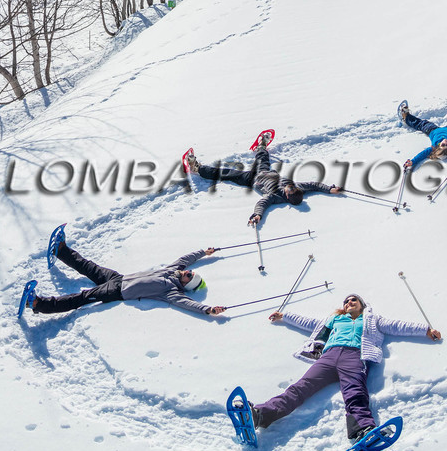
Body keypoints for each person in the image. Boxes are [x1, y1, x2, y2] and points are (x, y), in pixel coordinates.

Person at [239, 293, 439, 441]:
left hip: (355, 356)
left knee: (355, 393)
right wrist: (285, 316)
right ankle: (260, 415)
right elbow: (308, 322)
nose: (349, 303)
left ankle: (363, 430)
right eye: (346, 301)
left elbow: (397, 325)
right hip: (329, 356)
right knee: (300, 387)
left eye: (354, 300)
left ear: (362, 305)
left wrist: (425, 330)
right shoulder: (334, 319)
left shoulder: (372, 319)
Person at [22, 232, 227, 318]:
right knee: (90, 267)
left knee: (81, 298)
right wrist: (204, 253)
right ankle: (61, 250)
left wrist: (208, 310)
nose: (188, 272)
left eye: (190, 276)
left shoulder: (171, 292)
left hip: (117, 291)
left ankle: (39, 304)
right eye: (191, 272)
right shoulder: (172, 272)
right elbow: (185, 259)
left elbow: (187, 304)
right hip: (119, 278)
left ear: (186, 285)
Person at [184, 135, 342, 227]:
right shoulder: (298, 188)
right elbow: (314, 185)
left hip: (252, 179)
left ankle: (197, 168)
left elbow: (262, 204)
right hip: (266, 172)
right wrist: (329, 189)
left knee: (226, 173)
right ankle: (261, 145)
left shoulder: (274, 196)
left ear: (287, 196)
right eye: (292, 187)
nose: (290, 186)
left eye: (289, 189)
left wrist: (257, 215)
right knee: (263, 159)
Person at [400, 92, 447, 170]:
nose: (446, 143)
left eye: (443, 145)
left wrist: (412, 161)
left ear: (439, 146)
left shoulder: (434, 147)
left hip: (433, 130)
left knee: (420, 124)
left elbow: (422, 155)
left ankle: (406, 116)